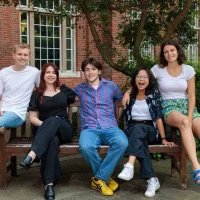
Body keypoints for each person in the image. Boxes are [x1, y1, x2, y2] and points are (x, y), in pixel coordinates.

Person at [123, 39, 200, 184]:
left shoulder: (188, 70)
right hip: (169, 107)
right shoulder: (158, 69)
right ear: (163, 54)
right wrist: (128, 92)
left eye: (172, 50)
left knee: (195, 124)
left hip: (187, 106)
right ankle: (197, 169)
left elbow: (191, 95)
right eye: (166, 51)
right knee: (184, 122)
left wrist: (190, 116)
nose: (169, 53)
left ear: (178, 51)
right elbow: (141, 79)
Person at [20, 63, 76, 200]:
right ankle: (49, 184)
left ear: (57, 75)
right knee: (52, 140)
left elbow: (81, 93)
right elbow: (33, 118)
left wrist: (127, 92)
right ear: (43, 75)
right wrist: (48, 126)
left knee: (54, 120)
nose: (51, 75)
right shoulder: (36, 94)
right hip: (45, 131)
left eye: (53, 72)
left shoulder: (64, 91)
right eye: (47, 72)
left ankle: (32, 155)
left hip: (64, 129)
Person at [73, 57, 128, 196]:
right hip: (90, 128)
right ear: (83, 73)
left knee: (122, 142)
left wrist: (128, 93)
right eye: (87, 70)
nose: (90, 72)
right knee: (85, 146)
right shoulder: (80, 89)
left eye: (93, 69)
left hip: (110, 127)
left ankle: (98, 179)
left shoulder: (111, 86)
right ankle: (105, 178)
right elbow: (61, 95)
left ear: (99, 71)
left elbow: (122, 101)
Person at [118, 67, 175, 197]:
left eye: (145, 77)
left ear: (149, 80)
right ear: (135, 79)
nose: (141, 79)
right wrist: (127, 92)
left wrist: (163, 138)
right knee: (139, 139)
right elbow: (122, 113)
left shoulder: (154, 94)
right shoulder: (130, 94)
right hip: (132, 129)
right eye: (139, 76)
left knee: (140, 130)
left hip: (149, 129)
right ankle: (152, 180)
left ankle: (130, 165)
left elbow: (158, 118)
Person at [0, 43, 40, 128]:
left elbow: (41, 87)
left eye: (25, 55)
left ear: (29, 57)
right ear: (13, 55)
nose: (22, 57)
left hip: (17, 114)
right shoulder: (3, 72)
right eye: (19, 54)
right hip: (2, 110)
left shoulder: (34, 72)